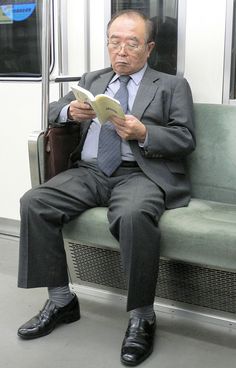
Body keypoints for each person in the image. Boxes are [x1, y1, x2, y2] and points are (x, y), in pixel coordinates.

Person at [17, 9, 195, 366]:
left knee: (133, 214)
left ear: (149, 48)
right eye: (115, 41)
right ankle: (62, 301)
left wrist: (145, 133)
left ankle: (143, 317)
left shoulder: (172, 85)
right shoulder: (94, 79)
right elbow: (55, 109)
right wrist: (71, 113)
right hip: (90, 171)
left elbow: (185, 138)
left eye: (132, 42)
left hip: (141, 174)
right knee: (34, 201)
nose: (122, 51)